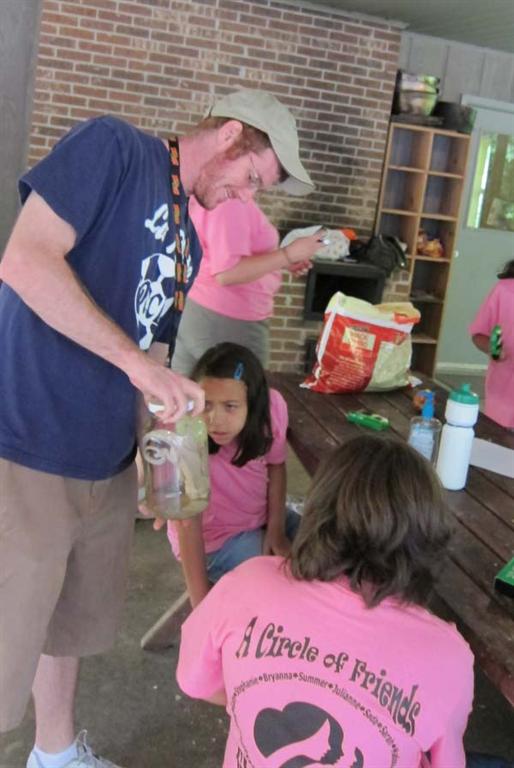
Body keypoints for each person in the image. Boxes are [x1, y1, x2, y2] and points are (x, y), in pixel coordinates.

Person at [0, 88, 316, 768]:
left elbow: (157, 358)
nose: (244, 197)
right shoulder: (114, 148)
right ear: (230, 135)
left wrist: (157, 457)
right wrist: (133, 367)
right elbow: (23, 261)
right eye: (250, 179)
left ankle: (54, 755)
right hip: (28, 438)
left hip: (105, 460)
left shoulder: (188, 237)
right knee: (8, 634)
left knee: (70, 624)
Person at [177, 434, 474, 768]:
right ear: (427, 539)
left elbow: (197, 680)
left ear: (317, 513)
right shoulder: (449, 657)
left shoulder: (247, 582)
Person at [165, 342, 299, 609]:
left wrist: (276, 530)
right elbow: (187, 525)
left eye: (230, 406)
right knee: (279, 582)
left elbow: (276, 466)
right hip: (214, 540)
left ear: (253, 403)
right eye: (207, 405)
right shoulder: (186, 432)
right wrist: (201, 608)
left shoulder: (271, 408)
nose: (215, 419)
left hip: (262, 517)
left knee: (329, 545)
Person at [172, 195, 321, 374]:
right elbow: (227, 273)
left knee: (188, 395)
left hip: (200, 310)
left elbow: (222, 254)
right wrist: (288, 254)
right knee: (247, 396)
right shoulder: (230, 202)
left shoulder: (219, 196)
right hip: (231, 319)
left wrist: (283, 261)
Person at [469, 258, 514, 429]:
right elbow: (479, 335)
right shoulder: (504, 290)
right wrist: (493, 348)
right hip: (503, 397)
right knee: (501, 446)